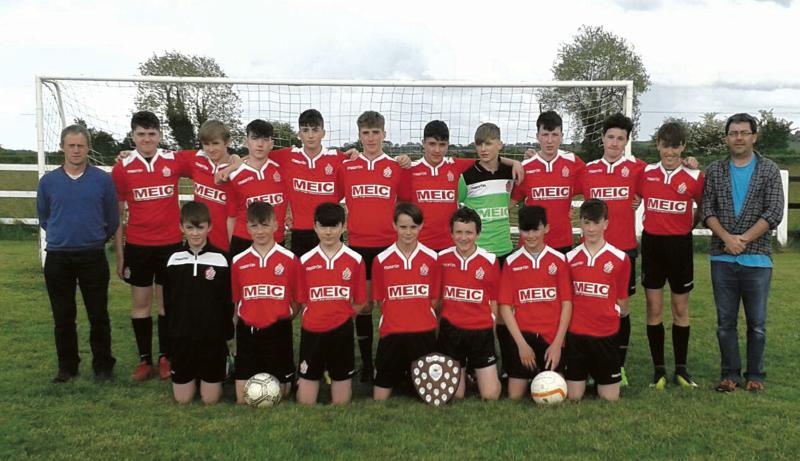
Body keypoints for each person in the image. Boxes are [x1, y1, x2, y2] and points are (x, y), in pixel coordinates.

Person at [701, 113, 784, 393]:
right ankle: (730, 374)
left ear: (754, 137)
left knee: (757, 324)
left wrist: (743, 240)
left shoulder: (769, 170)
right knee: (725, 323)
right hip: (722, 257)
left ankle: (755, 376)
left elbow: (774, 212)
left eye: (744, 132)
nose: (739, 137)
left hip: (757, 259)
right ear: (726, 138)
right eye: (733, 132)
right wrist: (727, 238)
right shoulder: (715, 170)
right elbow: (707, 210)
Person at [37, 124, 119, 383]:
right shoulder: (48, 182)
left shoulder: (102, 180)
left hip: (92, 255)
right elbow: (45, 216)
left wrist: (93, 238)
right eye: (70, 145)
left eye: (80, 146)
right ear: (62, 147)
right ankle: (67, 366)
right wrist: (64, 236)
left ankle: (103, 366)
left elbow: (112, 217)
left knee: (98, 315)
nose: (75, 150)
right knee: (63, 316)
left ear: (88, 148)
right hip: (59, 257)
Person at [112, 111, 185, 381]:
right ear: (133, 136)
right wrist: (120, 253)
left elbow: (207, 160)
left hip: (170, 245)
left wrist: (235, 158)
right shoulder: (123, 167)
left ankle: (166, 356)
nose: (146, 139)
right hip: (138, 246)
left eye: (151, 134)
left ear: (159, 135)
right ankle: (144, 361)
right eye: (141, 134)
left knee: (166, 304)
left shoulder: (173, 160)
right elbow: (117, 214)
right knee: (141, 303)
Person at [575, 113, 645, 386]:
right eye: (611, 137)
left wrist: (689, 164)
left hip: (623, 251)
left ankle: (618, 366)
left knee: (620, 309)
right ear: (602, 138)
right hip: (589, 253)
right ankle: (588, 362)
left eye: (621, 139)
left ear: (627, 141)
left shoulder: (638, 169)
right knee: (589, 307)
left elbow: (665, 181)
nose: (615, 143)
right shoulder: (588, 170)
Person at [337, 111, 404, 382]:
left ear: (384, 135)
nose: (371, 138)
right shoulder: (347, 166)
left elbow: (408, 205)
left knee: (391, 304)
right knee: (363, 307)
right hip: (359, 246)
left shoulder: (397, 167)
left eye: (376, 132)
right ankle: (367, 364)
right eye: (366, 133)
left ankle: (391, 361)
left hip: (389, 247)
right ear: (359, 135)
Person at [638, 122, 704, 389]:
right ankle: (658, 370)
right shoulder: (645, 173)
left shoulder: (695, 176)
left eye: (675, 146)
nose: (670, 152)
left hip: (680, 246)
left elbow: (702, 205)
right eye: (665, 146)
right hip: (653, 246)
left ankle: (681, 369)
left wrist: (691, 224)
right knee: (654, 308)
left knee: (680, 308)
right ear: (658, 145)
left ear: (683, 147)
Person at [399, 120, 523, 252]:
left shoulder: (456, 165)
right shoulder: (410, 169)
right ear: (423, 143)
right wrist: (400, 160)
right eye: (432, 144)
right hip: (419, 247)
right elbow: (401, 209)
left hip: (452, 247)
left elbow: (486, 160)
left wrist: (515, 162)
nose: (437, 150)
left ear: (448, 145)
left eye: (442, 145)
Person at [457, 122, 515, 381]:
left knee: (504, 311)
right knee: (477, 313)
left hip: (503, 252)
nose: (483, 149)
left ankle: (505, 366)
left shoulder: (510, 172)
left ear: (499, 145)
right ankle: (471, 365)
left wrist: (517, 163)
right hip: (477, 256)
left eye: (489, 143)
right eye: (479, 144)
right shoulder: (466, 177)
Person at [497, 205, 572, 400]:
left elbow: (567, 304)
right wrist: (521, 344)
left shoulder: (559, 260)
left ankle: (541, 373)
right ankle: (530, 374)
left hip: (551, 339)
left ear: (546, 228)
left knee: (558, 391)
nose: (530, 236)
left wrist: (557, 344)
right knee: (514, 395)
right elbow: (504, 307)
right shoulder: (512, 262)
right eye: (525, 230)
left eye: (535, 229)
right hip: (524, 338)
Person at [295, 203, 367, 405]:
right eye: (323, 226)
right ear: (315, 227)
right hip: (312, 331)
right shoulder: (305, 261)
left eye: (334, 226)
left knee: (342, 401)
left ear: (344, 227)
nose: (328, 232)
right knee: (305, 401)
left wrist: (341, 315)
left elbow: (361, 302)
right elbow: (301, 300)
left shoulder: (355, 260)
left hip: (341, 332)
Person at [163, 202, 233, 404]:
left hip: (212, 338)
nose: (195, 234)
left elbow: (227, 300)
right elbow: (166, 301)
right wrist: (170, 334)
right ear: (181, 228)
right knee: (183, 400)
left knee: (209, 400)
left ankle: (223, 366)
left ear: (209, 227)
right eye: (190, 228)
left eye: (200, 227)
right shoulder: (173, 259)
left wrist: (227, 333)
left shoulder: (221, 259)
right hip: (182, 337)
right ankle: (188, 373)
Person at [230, 202, 299, 403]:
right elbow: (236, 302)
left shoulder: (289, 259)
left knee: (284, 394)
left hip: (278, 331)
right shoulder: (238, 261)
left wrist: (282, 319)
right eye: (254, 226)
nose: (260, 231)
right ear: (247, 227)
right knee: (242, 398)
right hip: (248, 333)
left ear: (276, 225)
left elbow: (297, 300)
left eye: (265, 225)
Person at [371, 203, 439, 400]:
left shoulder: (432, 258)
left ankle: (411, 376)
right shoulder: (381, 260)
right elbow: (379, 300)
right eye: (403, 227)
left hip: (423, 333)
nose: (408, 232)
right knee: (380, 397)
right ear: (394, 226)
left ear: (421, 226)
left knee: (428, 396)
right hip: (392, 333)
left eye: (413, 227)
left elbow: (434, 300)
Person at [565, 199, 630, 401]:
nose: (591, 228)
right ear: (580, 224)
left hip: (606, 335)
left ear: (606, 223)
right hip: (577, 335)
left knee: (609, 398)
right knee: (574, 396)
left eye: (595, 222)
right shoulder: (569, 258)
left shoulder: (620, 258)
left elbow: (623, 303)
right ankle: (586, 375)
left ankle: (602, 373)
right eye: (586, 223)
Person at [435, 207, 501, 400]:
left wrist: (492, 330)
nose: (463, 238)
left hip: (480, 330)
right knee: (455, 395)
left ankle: (476, 373)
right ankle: (463, 373)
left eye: (469, 233)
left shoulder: (489, 260)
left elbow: (494, 300)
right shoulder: (442, 259)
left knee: (491, 395)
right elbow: (438, 300)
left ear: (478, 234)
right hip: (451, 331)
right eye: (459, 232)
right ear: (452, 233)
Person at [269, 109, 347, 257]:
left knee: (331, 278)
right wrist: (235, 159)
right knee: (301, 278)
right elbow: (256, 155)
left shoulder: (338, 158)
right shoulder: (288, 156)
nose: (310, 135)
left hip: (330, 230)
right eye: (305, 130)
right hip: (300, 231)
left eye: (315, 130)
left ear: (323, 133)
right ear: (299, 134)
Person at [514, 111, 585, 254]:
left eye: (555, 135)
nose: (550, 140)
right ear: (538, 136)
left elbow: (595, 186)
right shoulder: (526, 167)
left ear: (562, 136)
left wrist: (636, 195)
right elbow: (511, 200)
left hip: (562, 241)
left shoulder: (573, 162)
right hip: (533, 243)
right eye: (545, 135)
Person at [226, 120, 288, 257]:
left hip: (275, 240)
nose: (260, 144)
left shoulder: (283, 169)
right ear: (246, 141)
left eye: (265, 139)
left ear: (271, 144)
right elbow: (231, 217)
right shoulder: (234, 174)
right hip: (243, 240)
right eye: (254, 138)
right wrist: (231, 249)